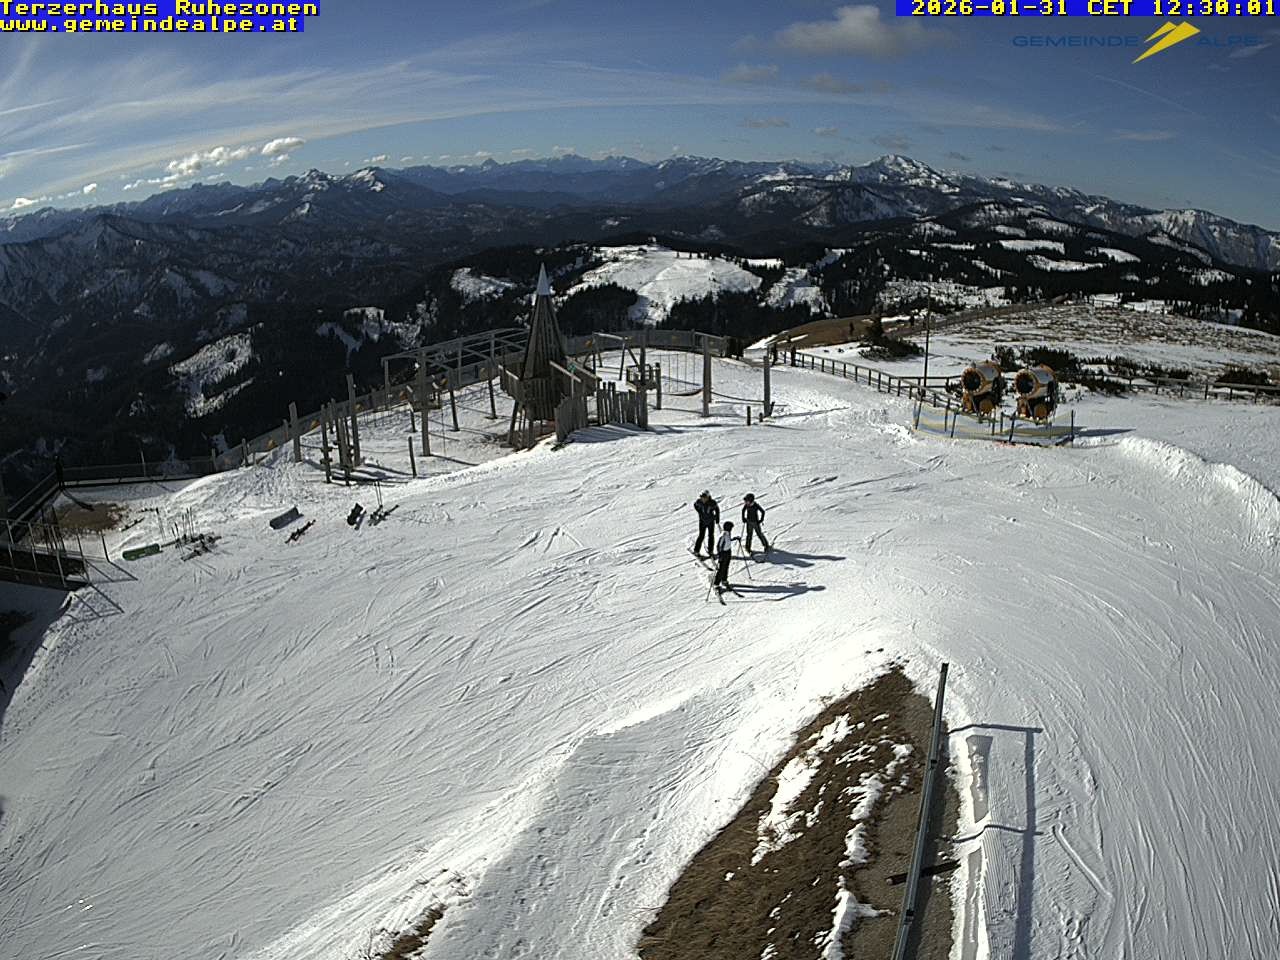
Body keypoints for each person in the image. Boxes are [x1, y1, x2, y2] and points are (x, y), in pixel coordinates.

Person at [693, 490, 720, 557]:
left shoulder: (712, 503)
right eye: (702, 497)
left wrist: (717, 518)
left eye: (704, 497)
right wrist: (699, 511)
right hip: (702, 521)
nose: (703, 499)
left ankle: (710, 551)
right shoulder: (699, 502)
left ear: (708, 497)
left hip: (710, 522)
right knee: (701, 535)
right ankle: (696, 550)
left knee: (711, 536)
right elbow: (695, 505)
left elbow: (717, 509)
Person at [714, 521, 738, 591]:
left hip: (728, 552)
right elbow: (719, 546)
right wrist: (720, 555)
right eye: (731, 528)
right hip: (723, 553)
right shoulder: (723, 535)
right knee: (721, 569)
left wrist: (735, 538)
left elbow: (728, 541)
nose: (731, 529)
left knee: (726, 567)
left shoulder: (728, 533)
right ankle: (716, 583)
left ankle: (724, 580)